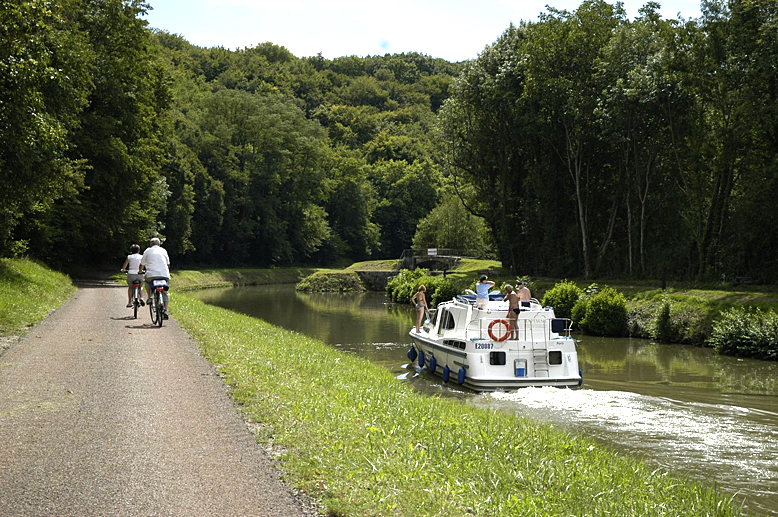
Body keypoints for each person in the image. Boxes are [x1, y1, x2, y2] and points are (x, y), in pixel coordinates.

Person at [140, 237, 171, 318]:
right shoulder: (163, 250)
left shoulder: (147, 251)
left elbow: (142, 264)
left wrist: (140, 271)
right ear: (159, 244)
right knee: (165, 292)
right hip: (164, 275)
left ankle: (150, 297)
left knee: (146, 281)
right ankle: (166, 310)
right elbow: (168, 264)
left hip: (151, 275)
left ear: (150, 245)